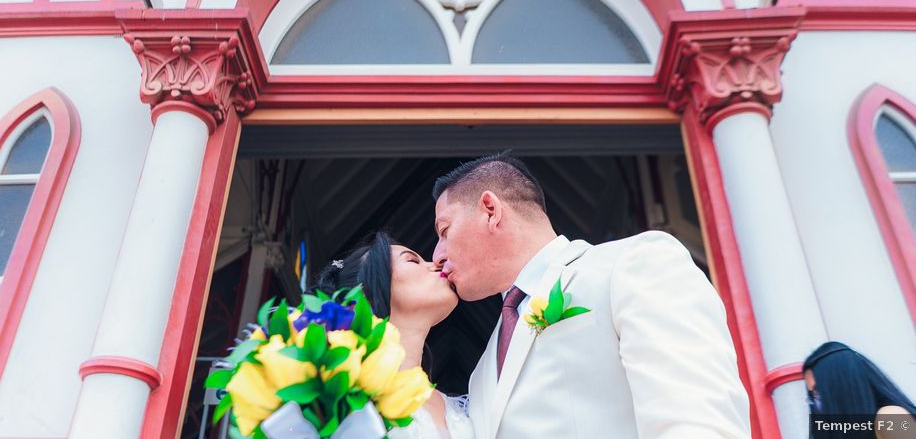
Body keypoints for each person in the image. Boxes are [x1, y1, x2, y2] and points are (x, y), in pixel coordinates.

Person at [431, 151, 751, 438]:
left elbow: (695, 419)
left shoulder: (633, 264)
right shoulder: (483, 369)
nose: (437, 255)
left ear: (490, 210)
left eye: (444, 231)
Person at [312, 231, 474, 439]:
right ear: (364, 295)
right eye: (412, 261)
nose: (436, 264)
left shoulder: (463, 408)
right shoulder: (339, 391)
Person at [804, 341, 916, 439]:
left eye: (818, 390)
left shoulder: (889, 417)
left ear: (841, 384)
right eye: (812, 395)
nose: (816, 400)